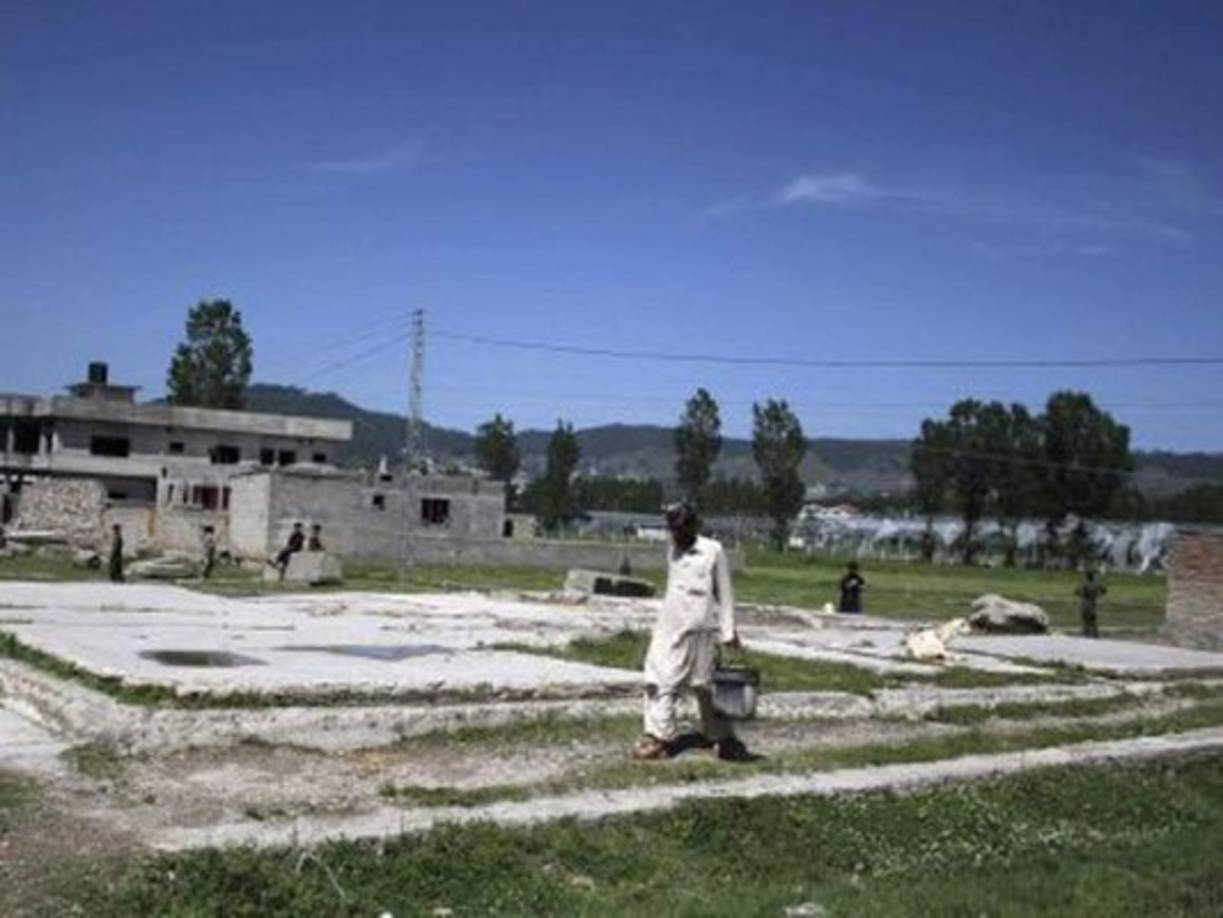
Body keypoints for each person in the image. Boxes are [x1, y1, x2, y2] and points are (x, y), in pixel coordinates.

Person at [633, 502, 749, 762]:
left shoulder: (712, 551)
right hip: (670, 625)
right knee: (659, 676)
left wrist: (728, 631)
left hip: (701, 630)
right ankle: (658, 736)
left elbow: (725, 593)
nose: (677, 535)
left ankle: (718, 735)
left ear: (693, 526)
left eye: (682, 529)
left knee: (702, 686)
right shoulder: (673, 547)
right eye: (673, 530)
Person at [1077, 568, 1107, 638]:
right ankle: (1095, 633)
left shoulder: (1084, 584)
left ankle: (1086, 633)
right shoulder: (1096, 583)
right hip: (1092, 602)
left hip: (1085, 602)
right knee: (1093, 619)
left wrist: (1081, 594)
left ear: (1087, 576)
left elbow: (1077, 592)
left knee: (1085, 619)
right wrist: (1098, 596)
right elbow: (1104, 590)